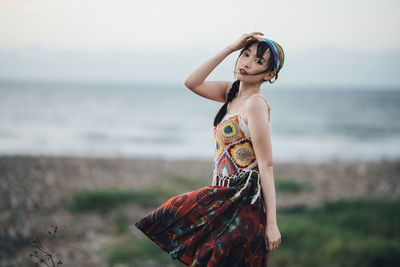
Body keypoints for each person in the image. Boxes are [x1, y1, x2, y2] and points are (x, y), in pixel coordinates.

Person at [134, 31, 284, 266]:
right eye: (245, 54)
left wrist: (272, 223)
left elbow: (266, 165)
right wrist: (231, 47)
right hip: (220, 197)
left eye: (258, 61)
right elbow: (191, 82)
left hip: (243, 203)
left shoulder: (255, 105)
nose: (246, 62)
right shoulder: (230, 92)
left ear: (270, 74)